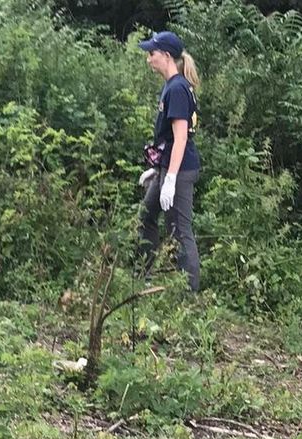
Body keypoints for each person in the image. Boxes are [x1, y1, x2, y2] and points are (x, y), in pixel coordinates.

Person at [136, 31, 202, 292]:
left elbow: (181, 137)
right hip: (168, 166)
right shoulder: (172, 86)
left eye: (151, 53)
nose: (148, 58)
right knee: (146, 216)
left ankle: (189, 294)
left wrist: (171, 178)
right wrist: (157, 168)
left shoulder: (176, 88)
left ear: (166, 56)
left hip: (181, 169)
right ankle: (145, 275)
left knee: (180, 230)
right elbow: (168, 139)